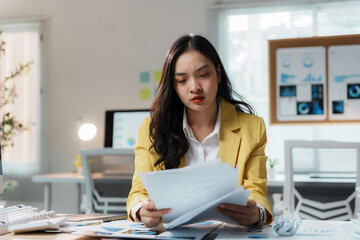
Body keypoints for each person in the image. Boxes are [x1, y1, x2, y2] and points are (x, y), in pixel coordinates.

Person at [126, 34, 273, 228]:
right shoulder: (152, 129)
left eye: (203, 75)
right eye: (182, 80)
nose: (195, 87)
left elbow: (257, 191)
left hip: (229, 234)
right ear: (173, 85)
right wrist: (140, 210)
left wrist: (257, 213)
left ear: (218, 74)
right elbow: (138, 192)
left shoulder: (252, 127)